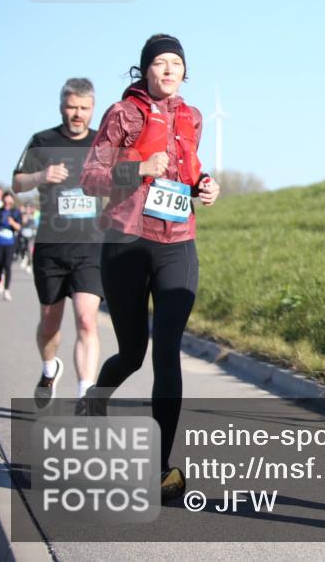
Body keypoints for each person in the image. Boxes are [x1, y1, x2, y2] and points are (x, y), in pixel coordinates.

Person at [80, 34, 220, 503]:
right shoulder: (123, 115)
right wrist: (140, 167)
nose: (167, 70)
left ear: (184, 72)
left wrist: (203, 184)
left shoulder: (193, 116)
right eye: (158, 63)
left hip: (178, 243)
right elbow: (91, 177)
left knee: (167, 351)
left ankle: (159, 468)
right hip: (127, 241)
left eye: (175, 64)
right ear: (144, 71)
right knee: (133, 352)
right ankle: (97, 395)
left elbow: (188, 167)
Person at [13, 79, 105, 407]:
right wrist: (40, 176)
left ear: (92, 108)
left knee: (85, 319)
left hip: (90, 245)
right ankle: (49, 368)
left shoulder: (102, 143)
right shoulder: (43, 141)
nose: (77, 114)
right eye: (72, 107)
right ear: (61, 106)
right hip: (51, 246)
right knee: (50, 323)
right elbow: (16, 181)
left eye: (84, 108)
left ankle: (84, 396)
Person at [0, 192, 23, 301]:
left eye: (9, 202)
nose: (7, 204)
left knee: (7, 266)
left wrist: (12, 223)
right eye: (5, 202)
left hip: (10, 243)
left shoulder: (15, 212)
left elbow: (19, 227)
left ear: (12, 202)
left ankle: (6, 290)